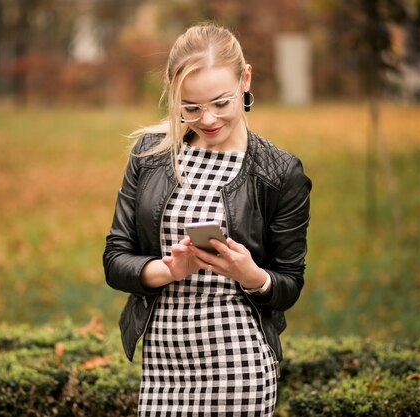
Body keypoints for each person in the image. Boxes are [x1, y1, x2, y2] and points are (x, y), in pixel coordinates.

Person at [103, 23, 311, 417]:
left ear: (245, 79)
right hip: (163, 365)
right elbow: (115, 259)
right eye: (191, 107)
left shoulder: (280, 173)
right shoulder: (149, 156)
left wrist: (252, 275)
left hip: (238, 364)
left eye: (221, 102)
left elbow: (289, 282)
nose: (208, 119)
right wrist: (166, 270)